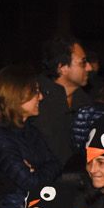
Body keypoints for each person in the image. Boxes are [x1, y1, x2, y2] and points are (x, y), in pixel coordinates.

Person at [0, 66, 62, 208]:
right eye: (35, 92)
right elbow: (29, 182)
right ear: (18, 95)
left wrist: (36, 170)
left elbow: (56, 164)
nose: (41, 97)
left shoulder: (29, 129)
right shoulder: (0, 135)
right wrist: (38, 172)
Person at [36, 36, 93, 165]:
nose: (89, 68)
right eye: (83, 62)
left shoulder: (85, 103)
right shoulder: (36, 102)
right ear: (62, 68)